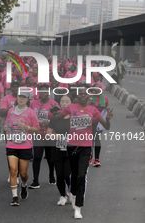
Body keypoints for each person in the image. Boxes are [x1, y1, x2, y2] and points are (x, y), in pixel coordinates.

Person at [53, 85, 113, 219]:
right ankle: (73, 193)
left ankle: (78, 207)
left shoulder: (93, 110)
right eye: (80, 94)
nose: (82, 96)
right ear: (77, 97)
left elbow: (106, 126)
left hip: (86, 147)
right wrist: (52, 119)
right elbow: (56, 120)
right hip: (71, 146)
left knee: (81, 175)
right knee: (74, 175)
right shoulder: (70, 108)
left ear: (89, 96)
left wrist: (108, 118)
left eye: (85, 94)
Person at [4, 91, 40, 206]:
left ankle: (24, 185)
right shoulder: (11, 111)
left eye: (24, 97)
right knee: (13, 170)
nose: (21, 99)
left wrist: (27, 127)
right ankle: (14, 197)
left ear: (28, 99)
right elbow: (7, 124)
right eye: (19, 96)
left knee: (23, 173)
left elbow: (36, 129)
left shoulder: (31, 112)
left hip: (25, 145)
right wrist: (6, 127)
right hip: (12, 144)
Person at [29, 84, 59, 189]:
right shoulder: (33, 103)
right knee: (37, 156)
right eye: (41, 92)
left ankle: (51, 176)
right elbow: (29, 116)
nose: (43, 94)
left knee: (50, 157)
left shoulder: (54, 104)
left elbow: (59, 119)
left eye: (45, 92)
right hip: (37, 134)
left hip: (49, 134)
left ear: (49, 92)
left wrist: (49, 121)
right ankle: (35, 181)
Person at [46, 95, 72, 206]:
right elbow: (48, 134)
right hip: (57, 149)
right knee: (59, 175)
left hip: (71, 151)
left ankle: (71, 192)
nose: (65, 103)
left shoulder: (75, 118)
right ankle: (63, 196)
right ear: (59, 104)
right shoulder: (55, 118)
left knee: (67, 174)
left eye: (67, 101)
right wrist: (54, 136)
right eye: (62, 101)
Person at [88, 83, 109, 167]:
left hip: (99, 122)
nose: (98, 90)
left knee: (97, 139)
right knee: (90, 140)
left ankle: (97, 159)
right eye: (96, 89)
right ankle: (90, 156)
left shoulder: (105, 98)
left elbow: (106, 109)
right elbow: (87, 106)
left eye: (99, 88)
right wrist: (92, 96)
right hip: (90, 121)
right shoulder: (90, 97)